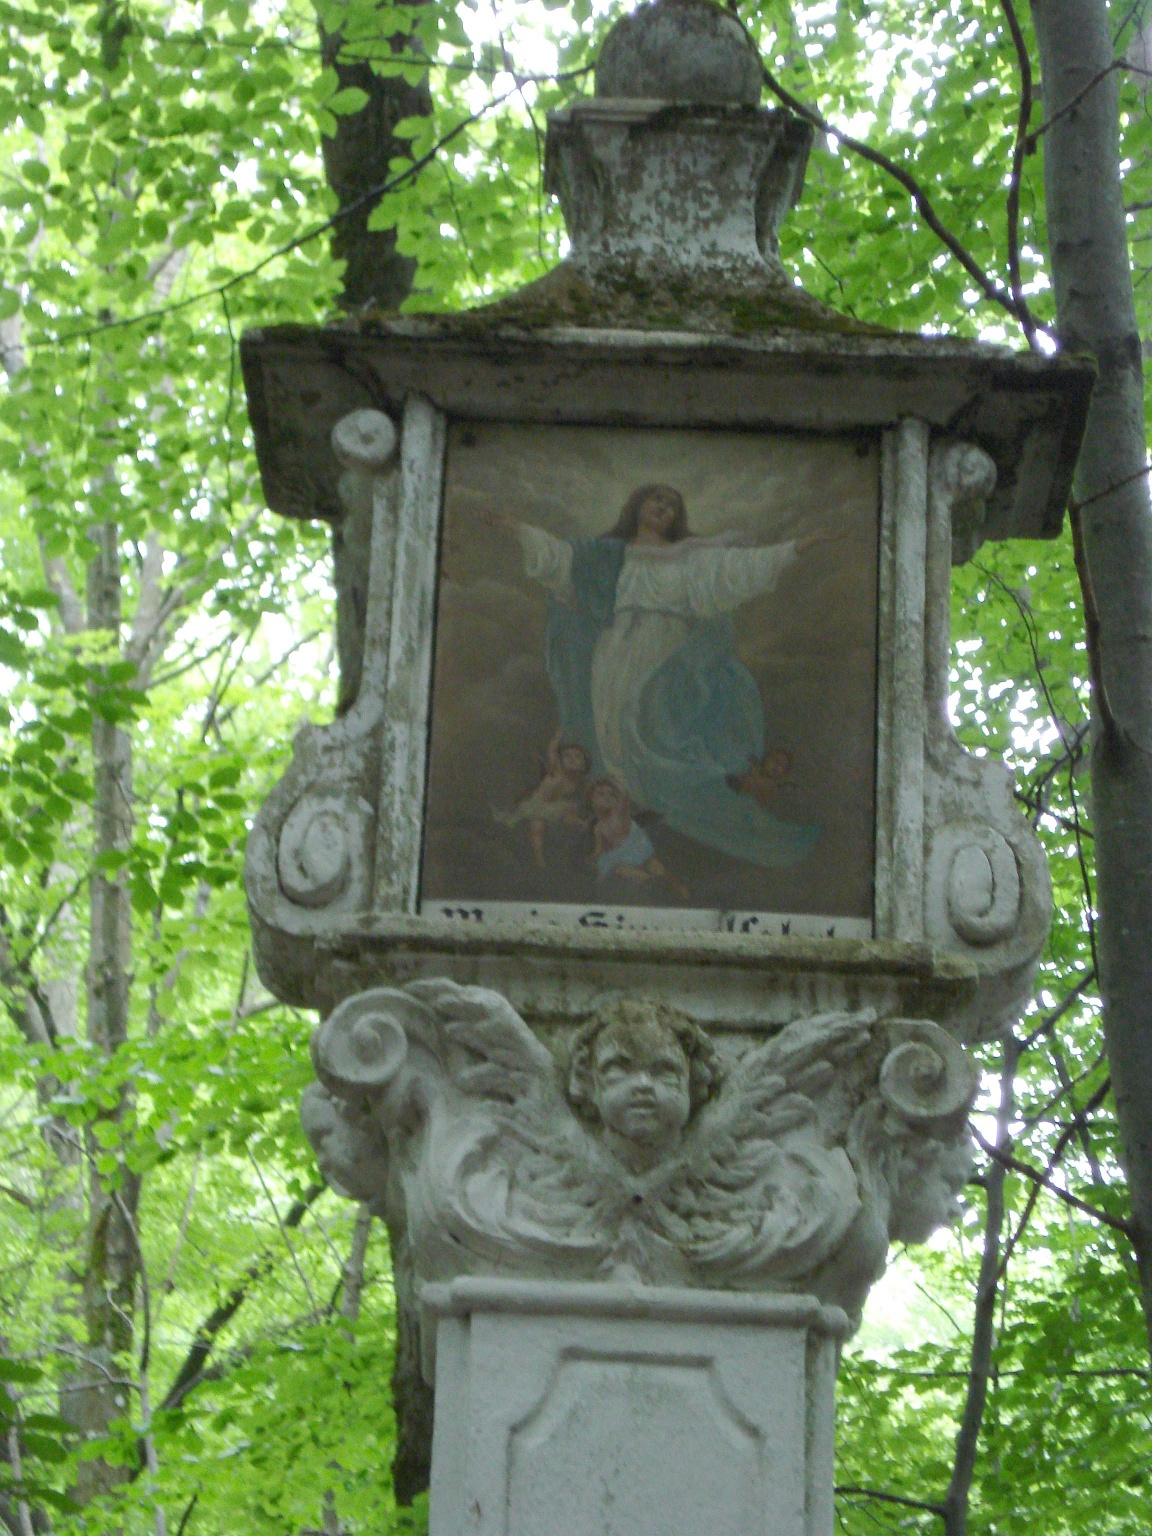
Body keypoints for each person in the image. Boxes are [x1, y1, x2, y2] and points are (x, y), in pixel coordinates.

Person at [485, 483, 832, 869]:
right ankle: (626, 822)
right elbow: (562, 559)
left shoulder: (691, 557)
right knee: (612, 729)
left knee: (649, 727)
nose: (663, 507)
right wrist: (520, 530)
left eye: (672, 505)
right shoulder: (609, 555)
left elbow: (739, 570)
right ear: (638, 505)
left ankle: (666, 805)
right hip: (614, 650)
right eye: (656, 499)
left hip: (664, 653)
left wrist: (797, 547)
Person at [494, 728, 592, 869]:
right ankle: (538, 857)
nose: (572, 760)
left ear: (585, 764)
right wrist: (557, 738)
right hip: (535, 805)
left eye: (577, 757)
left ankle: (577, 828)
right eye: (567, 756)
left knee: (569, 809)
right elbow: (552, 751)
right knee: (537, 825)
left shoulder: (579, 783)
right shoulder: (557, 771)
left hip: (554, 807)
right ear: (560, 760)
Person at [588, 775, 690, 898]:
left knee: (656, 866)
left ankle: (678, 885)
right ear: (593, 799)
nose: (607, 797)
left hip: (637, 844)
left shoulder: (620, 813)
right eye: (601, 794)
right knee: (620, 869)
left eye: (611, 794)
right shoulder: (599, 827)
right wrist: (594, 857)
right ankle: (646, 878)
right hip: (619, 855)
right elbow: (599, 848)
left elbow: (625, 800)